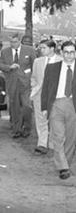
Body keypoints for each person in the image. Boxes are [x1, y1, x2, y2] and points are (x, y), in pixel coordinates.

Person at [41, 41, 76, 180]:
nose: (69, 55)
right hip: (56, 104)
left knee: (71, 138)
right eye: (66, 52)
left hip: (73, 106)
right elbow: (45, 88)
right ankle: (63, 167)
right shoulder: (52, 68)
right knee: (58, 137)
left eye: (72, 52)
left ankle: (65, 163)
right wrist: (44, 107)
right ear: (61, 53)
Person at [0, 33, 36, 138]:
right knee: (14, 108)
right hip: (12, 83)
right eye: (11, 42)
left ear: (20, 41)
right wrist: (9, 67)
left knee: (26, 106)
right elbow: (0, 64)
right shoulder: (5, 52)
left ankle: (27, 128)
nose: (12, 44)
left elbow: (35, 65)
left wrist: (32, 78)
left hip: (26, 84)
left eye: (15, 42)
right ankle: (17, 130)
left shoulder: (30, 50)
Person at [31, 39, 62, 155]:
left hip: (56, 96)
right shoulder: (37, 61)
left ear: (52, 48)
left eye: (44, 48)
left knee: (54, 119)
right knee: (40, 120)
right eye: (40, 48)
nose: (41, 50)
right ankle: (42, 144)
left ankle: (53, 144)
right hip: (39, 94)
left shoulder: (62, 61)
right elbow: (34, 77)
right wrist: (34, 87)